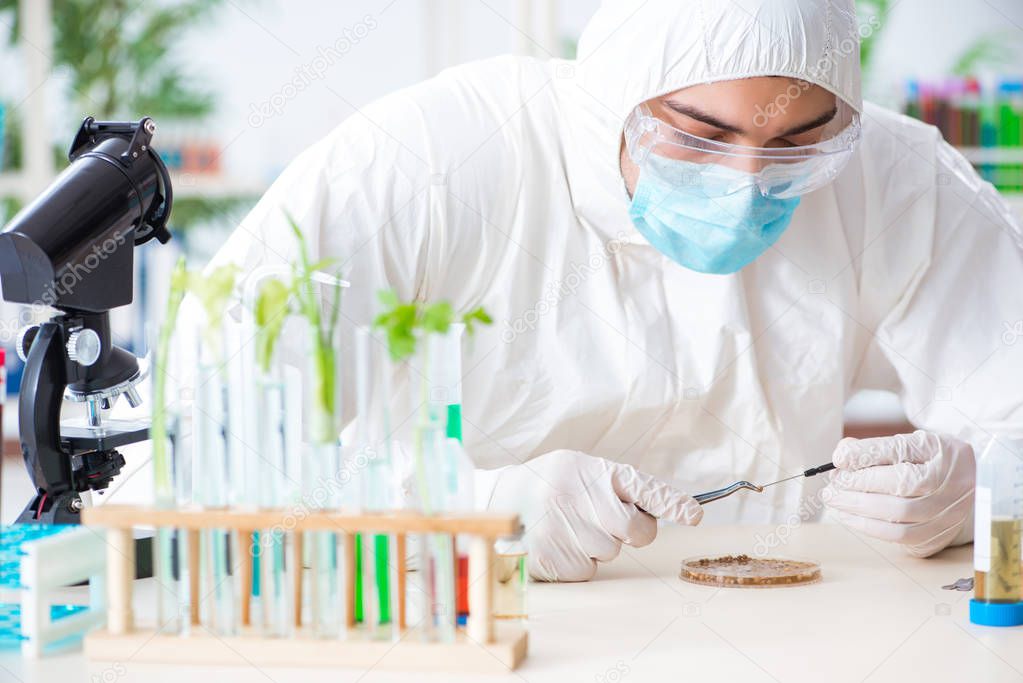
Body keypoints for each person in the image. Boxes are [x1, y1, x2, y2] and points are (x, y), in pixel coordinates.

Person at [211, 0, 1021, 581]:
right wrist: (470, 506)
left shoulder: (893, 174)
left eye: (792, 147)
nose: (743, 188)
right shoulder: (426, 157)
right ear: (612, 102)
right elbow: (214, 454)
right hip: (472, 632)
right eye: (701, 136)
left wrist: (980, 496)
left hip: (776, 631)